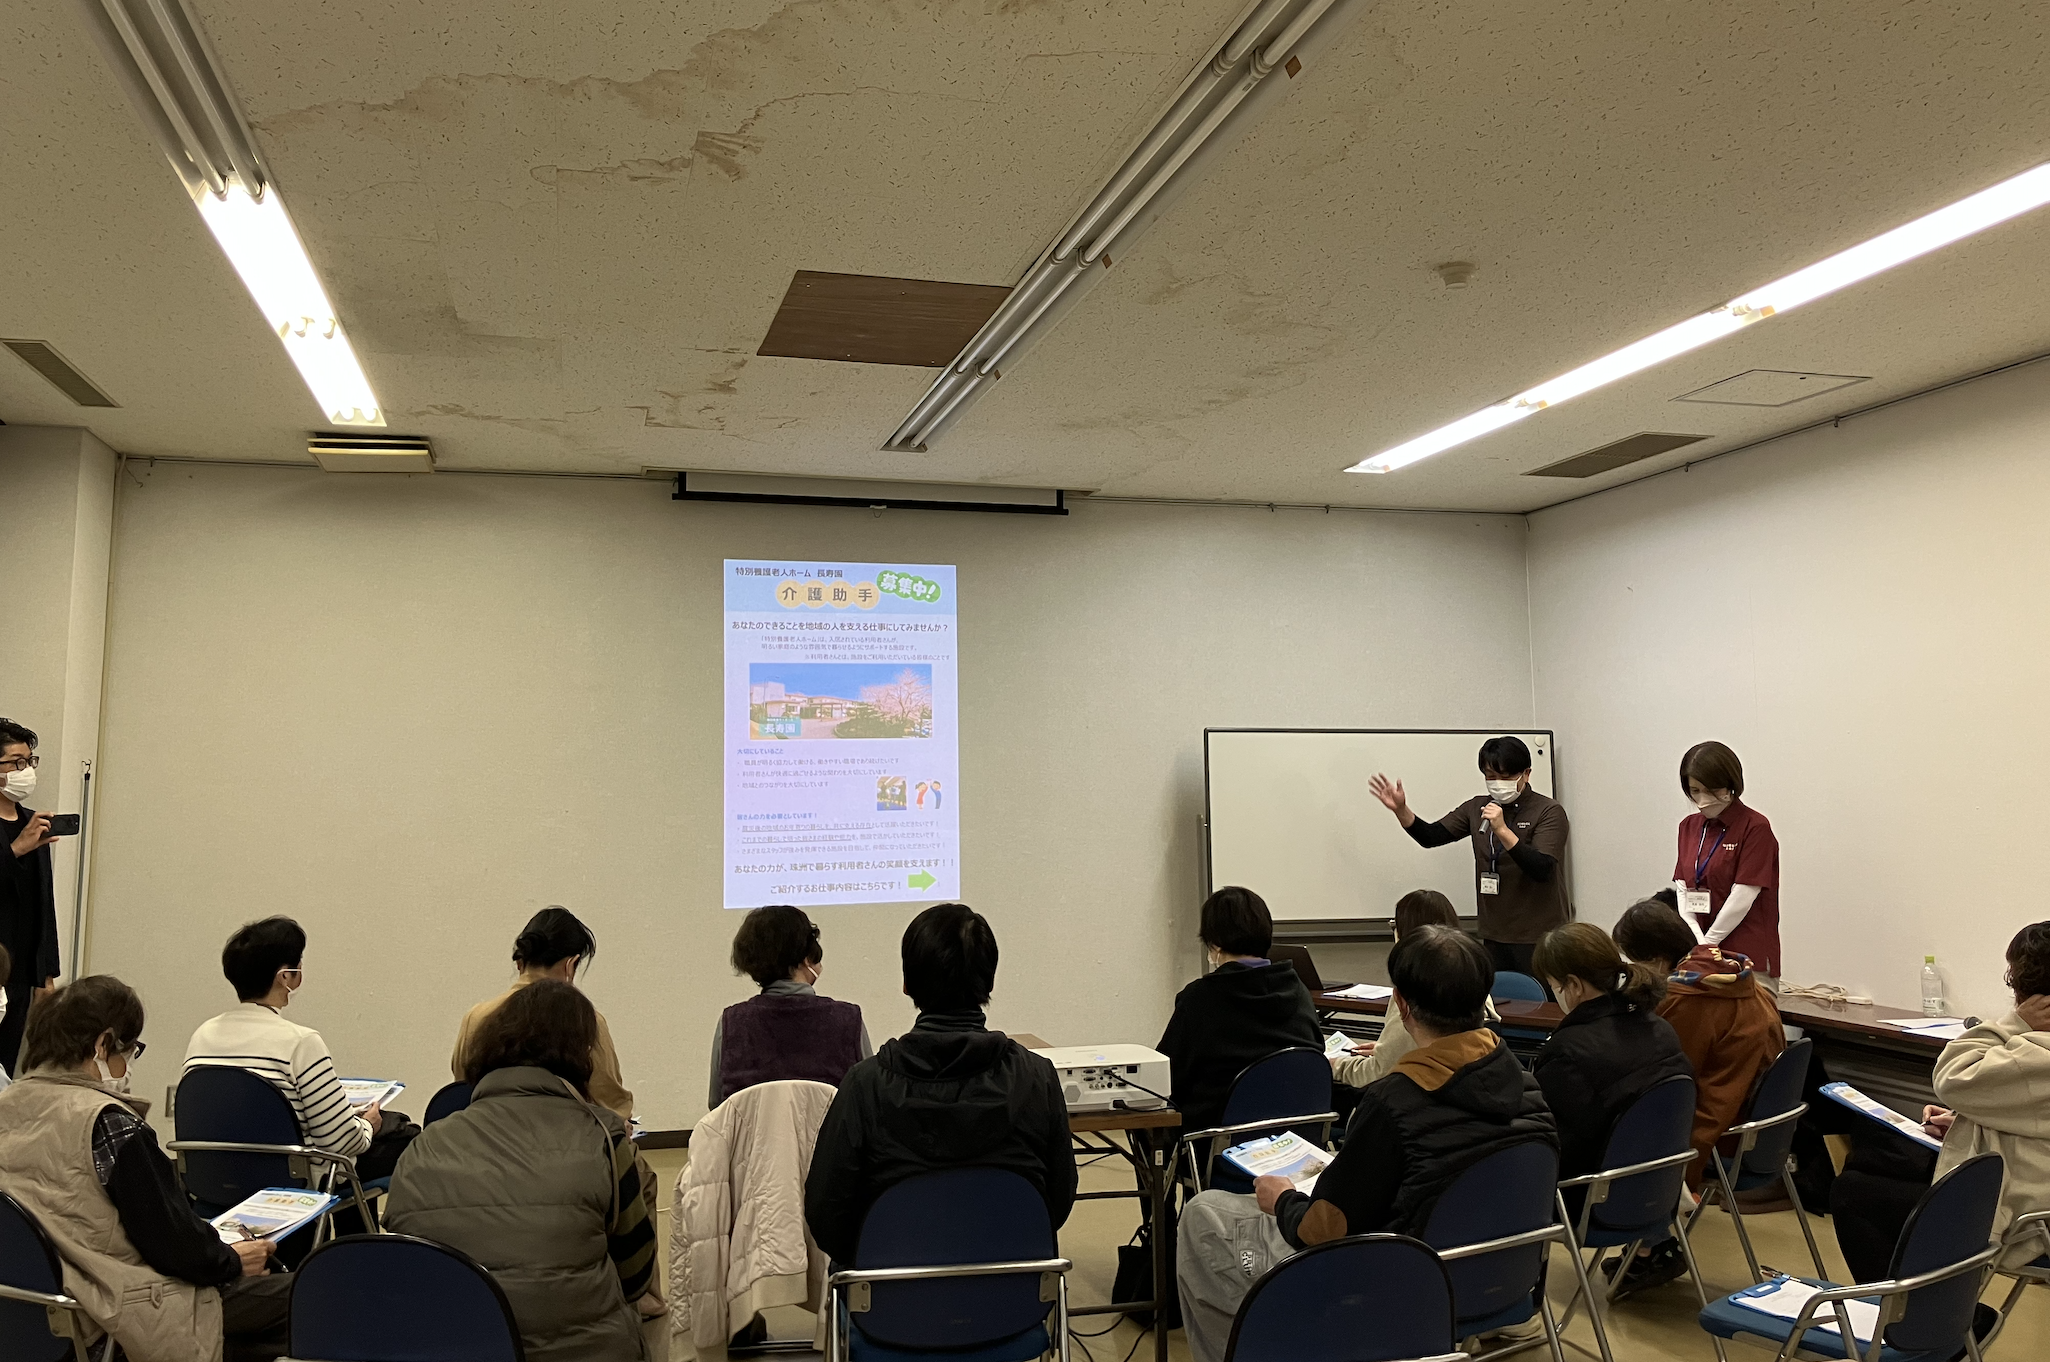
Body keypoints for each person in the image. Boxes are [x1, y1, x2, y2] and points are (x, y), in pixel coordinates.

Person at [1176, 926, 1556, 1362]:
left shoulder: (1395, 1101)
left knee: (1204, 1214)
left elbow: (1322, 1230)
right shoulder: (1531, 1090)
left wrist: (1282, 1200)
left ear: (1402, 1004)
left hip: (1394, 1286)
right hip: (1502, 1282)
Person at [0, 975, 291, 1362]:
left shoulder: (8, 1103)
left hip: (29, 1312)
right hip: (109, 1313)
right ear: (103, 1045)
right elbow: (179, 1250)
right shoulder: (110, 1125)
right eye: (131, 1049)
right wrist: (235, 1259)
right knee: (310, 1296)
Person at [387, 980, 654, 1362]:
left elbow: (403, 1276)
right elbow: (637, 1277)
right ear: (581, 1056)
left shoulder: (422, 1147)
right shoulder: (603, 1138)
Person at [805, 903, 1075, 1265]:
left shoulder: (864, 1085)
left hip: (891, 1293)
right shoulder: (1037, 1077)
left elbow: (826, 1215)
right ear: (990, 982)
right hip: (1009, 1287)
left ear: (906, 984)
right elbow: (1057, 1201)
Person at [184, 916, 417, 1182]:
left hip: (214, 1182)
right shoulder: (300, 1042)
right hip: (294, 1182)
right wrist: (368, 1125)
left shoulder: (202, 1036)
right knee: (404, 1134)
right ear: (286, 977)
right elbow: (340, 1142)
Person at [1612, 899, 1782, 1191]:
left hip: (1718, 1132)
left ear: (1657, 959)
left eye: (1633, 961)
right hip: (1758, 1126)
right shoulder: (1734, 975)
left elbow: (1669, 1082)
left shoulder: (1687, 999)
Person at [1369, 736, 1571, 979]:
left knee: (1539, 1000)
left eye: (1505, 777)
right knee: (1497, 998)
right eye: (1490, 776)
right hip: (1493, 931)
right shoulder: (1477, 808)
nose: (1497, 783)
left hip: (1539, 935)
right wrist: (1402, 811)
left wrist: (1502, 830)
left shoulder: (1548, 811)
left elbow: (1542, 868)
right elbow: (1431, 836)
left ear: (1526, 774)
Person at [1927, 922, 2050, 1267]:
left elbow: (1950, 1076)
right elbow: (2028, 1111)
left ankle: (1922, 1300)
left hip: (2023, 1223)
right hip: (2030, 1191)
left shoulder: (2034, 1053)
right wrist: (1963, 1118)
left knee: (1859, 1191)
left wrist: (2016, 1021)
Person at [1531, 923, 1691, 1181]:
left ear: (1574, 985)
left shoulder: (1567, 1052)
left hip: (1588, 1191)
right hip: (1659, 1183)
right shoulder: (1661, 1029)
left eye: (1552, 985)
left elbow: (1551, 1145)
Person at [1157, 886, 1321, 1138]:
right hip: (1295, 1142)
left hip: (1218, 1143)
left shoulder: (1200, 999)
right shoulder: (1299, 991)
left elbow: (1165, 1077)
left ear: (1214, 943)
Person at [454, 906, 635, 1124]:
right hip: (565, 1140)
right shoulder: (585, 1021)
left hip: (487, 1137)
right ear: (570, 966)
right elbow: (611, 1106)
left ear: (520, 963)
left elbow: (462, 1092)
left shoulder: (476, 1017)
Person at [1328, 889, 1499, 1089]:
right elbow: (1452, 1046)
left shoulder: (1411, 991)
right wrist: (1392, 1050)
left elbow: (1378, 1074)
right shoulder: (1473, 981)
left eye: (1395, 925)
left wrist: (1335, 1065)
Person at [709, 904, 871, 1108]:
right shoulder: (848, 1020)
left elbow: (717, 1107)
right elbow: (870, 1100)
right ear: (806, 956)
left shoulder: (731, 1023)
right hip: (832, 1130)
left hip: (755, 1131)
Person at [1672, 742, 1783, 981]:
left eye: (1711, 790)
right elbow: (1682, 888)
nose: (1702, 799)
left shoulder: (1755, 827)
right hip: (1699, 950)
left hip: (1746, 950)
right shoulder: (1688, 827)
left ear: (1731, 784)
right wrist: (1699, 943)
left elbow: (1743, 895)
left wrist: (1708, 944)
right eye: (1695, 790)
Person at [1, 716, 62, 1076]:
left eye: (30, 761)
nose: (26, 771)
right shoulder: (25, 834)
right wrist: (14, 851)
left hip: (22, 972)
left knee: (7, 1069)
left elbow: (44, 903)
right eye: (16, 763)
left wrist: (47, 972)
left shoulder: (31, 821)